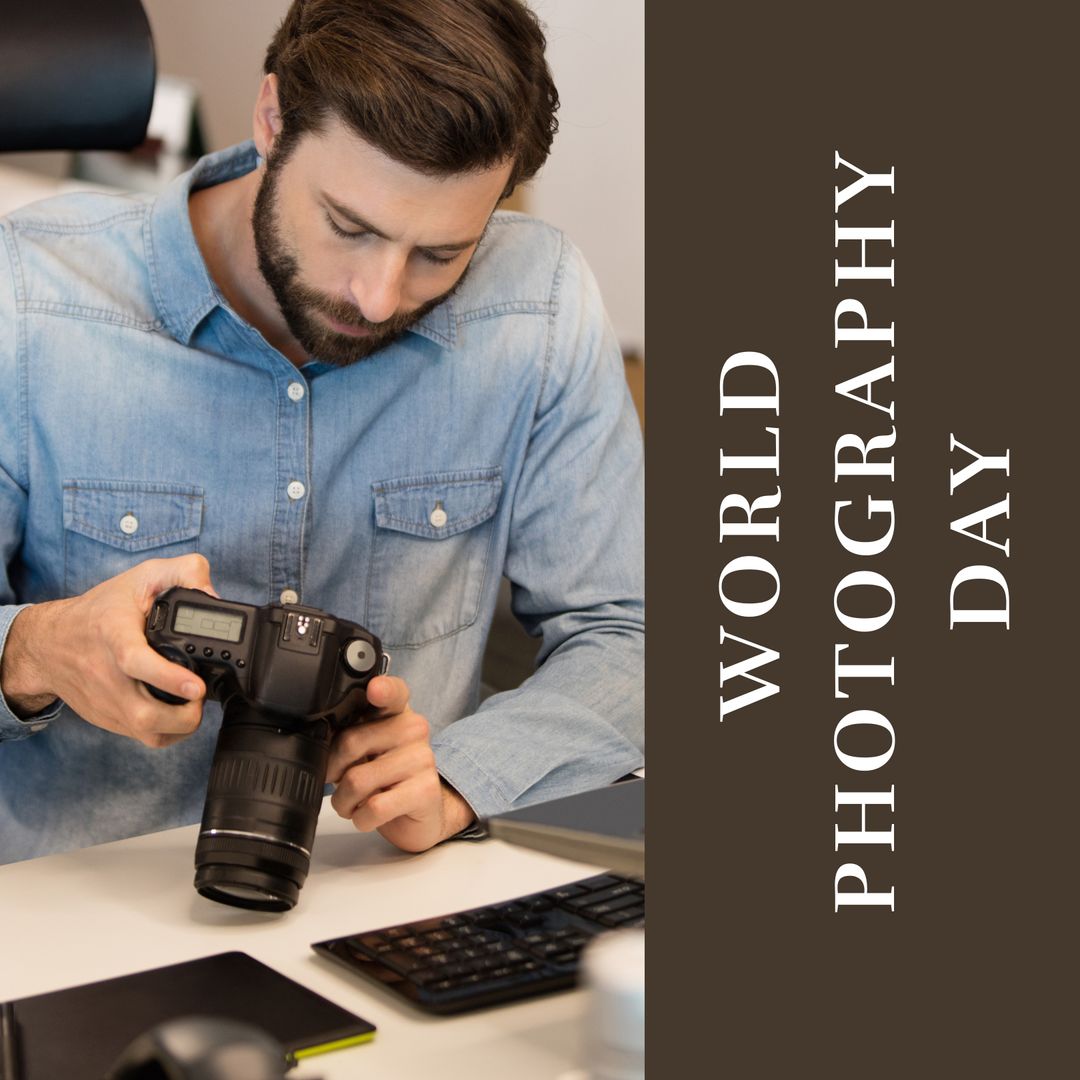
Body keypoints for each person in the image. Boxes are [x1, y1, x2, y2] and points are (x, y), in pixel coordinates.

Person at [0, 0, 643, 862]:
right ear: (272, 121)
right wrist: (34, 649)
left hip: (385, 895)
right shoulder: (29, 297)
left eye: (439, 254)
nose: (378, 298)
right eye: (349, 226)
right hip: (76, 915)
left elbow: (625, 634)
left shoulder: (539, 302)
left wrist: (462, 776)